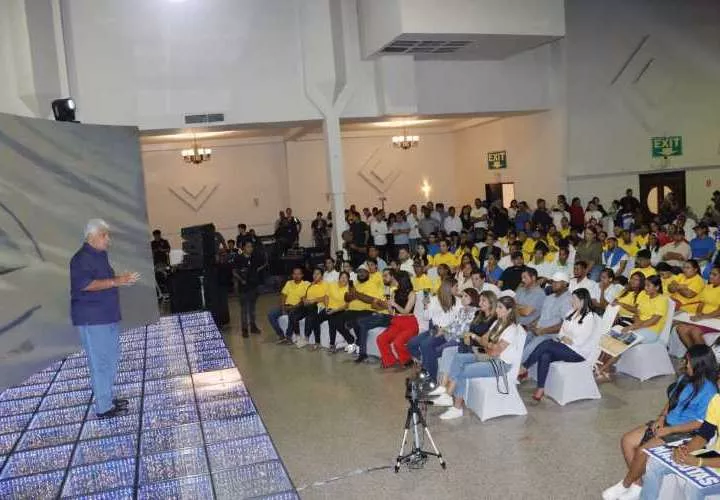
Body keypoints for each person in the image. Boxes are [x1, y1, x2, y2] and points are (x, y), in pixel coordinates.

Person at [603, 345, 718, 500]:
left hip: (685, 432)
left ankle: (625, 484)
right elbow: (672, 400)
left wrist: (670, 430)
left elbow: (700, 423)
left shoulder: (709, 390)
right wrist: (661, 418)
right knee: (627, 440)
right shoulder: (685, 378)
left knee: (643, 450)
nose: (685, 364)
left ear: (699, 364)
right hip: (667, 423)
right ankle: (637, 485)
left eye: (689, 361)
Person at [70, 219, 139, 418]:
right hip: (93, 319)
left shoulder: (100, 255)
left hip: (107, 316)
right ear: (91, 237)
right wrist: (116, 281)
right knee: (99, 363)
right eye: (104, 235)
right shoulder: (80, 259)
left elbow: (105, 281)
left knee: (111, 359)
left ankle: (107, 398)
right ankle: (103, 407)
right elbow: (85, 284)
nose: (107, 239)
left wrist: (118, 281)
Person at [433, 296, 523, 420]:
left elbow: (495, 352)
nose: (496, 310)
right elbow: (485, 340)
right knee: (459, 358)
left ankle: (457, 408)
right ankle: (447, 395)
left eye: (500, 307)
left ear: (509, 310)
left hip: (500, 364)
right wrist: (488, 344)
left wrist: (486, 344)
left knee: (464, 370)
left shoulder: (511, 329)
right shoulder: (498, 322)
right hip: (487, 356)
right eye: (497, 306)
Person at [519, 288, 598, 401]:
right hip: (564, 347)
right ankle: (540, 388)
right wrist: (564, 338)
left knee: (546, 344)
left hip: (578, 352)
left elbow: (581, 341)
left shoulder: (589, 317)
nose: (571, 302)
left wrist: (568, 339)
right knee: (545, 355)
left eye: (574, 299)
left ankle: (524, 367)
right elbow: (561, 332)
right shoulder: (571, 312)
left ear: (582, 301)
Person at [596, 275, 668, 380]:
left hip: (651, 331)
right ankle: (599, 363)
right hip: (638, 326)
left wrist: (634, 326)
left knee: (622, 341)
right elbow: (636, 313)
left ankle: (604, 369)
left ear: (657, 287)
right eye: (645, 285)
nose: (645, 288)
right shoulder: (644, 294)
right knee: (613, 335)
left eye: (648, 286)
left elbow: (654, 321)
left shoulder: (662, 300)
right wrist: (636, 324)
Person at [407, 278, 460, 382]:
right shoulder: (435, 299)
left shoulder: (458, 301)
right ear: (449, 288)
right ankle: (423, 363)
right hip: (434, 329)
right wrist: (426, 306)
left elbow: (457, 322)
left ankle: (430, 378)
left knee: (426, 345)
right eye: (456, 286)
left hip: (446, 332)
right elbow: (426, 317)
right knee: (411, 343)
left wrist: (445, 329)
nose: (458, 288)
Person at [522, 272, 573, 362]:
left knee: (528, 349)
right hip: (538, 331)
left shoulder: (568, 300)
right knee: (520, 342)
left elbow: (564, 324)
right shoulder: (549, 297)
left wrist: (543, 331)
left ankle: (516, 371)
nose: (553, 284)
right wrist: (533, 324)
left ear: (565, 284)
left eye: (557, 282)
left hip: (550, 335)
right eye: (552, 281)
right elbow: (542, 315)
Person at [351, 268, 395, 363]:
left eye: (386, 275)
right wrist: (381, 304)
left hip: (390, 317)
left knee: (360, 321)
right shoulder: (383, 288)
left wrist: (381, 303)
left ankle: (361, 350)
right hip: (380, 314)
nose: (383, 278)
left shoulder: (395, 289)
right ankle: (363, 354)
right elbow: (374, 305)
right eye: (383, 275)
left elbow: (390, 307)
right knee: (361, 323)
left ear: (392, 276)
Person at [376, 271, 419, 368]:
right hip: (397, 321)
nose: (393, 280)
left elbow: (406, 311)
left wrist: (394, 304)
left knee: (397, 342)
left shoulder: (412, 294)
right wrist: (389, 305)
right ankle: (390, 361)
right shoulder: (394, 292)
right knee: (381, 338)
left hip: (409, 323)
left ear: (401, 280)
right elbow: (392, 313)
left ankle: (407, 360)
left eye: (395, 279)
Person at [676, 265, 720, 347]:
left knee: (695, 332)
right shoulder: (708, 287)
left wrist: (703, 317)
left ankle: (703, 358)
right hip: (703, 318)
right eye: (710, 273)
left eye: (714, 274)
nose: (710, 276)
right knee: (681, 328)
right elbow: (701, 303)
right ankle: (692, 355)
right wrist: (698, 313)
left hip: (715, 321)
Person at [267, 267, 311, 344]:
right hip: (286, 306)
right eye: (294, 274)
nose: (296, 275)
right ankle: (281, 335)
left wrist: (292, 307)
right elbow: (283, 296)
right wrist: (283, 308)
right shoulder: (289, 283)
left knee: (292, 314)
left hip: (297, 308)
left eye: (298, 274)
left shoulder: (306, 284)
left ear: (302, 275)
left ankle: (288, 337)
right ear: (292, 275)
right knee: (271, 314)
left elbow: (304, 300)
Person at [234, 240, 264, 336]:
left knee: (252, 308)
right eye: (248, 246)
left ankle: (253, 327)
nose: (250, 248)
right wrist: (241, 280)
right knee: (244, 309)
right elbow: (234, 271)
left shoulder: (254, 258)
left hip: (253, 287)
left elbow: (259, 267)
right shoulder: (238, 258)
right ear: (243, 248)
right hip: (243, 288)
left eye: (251, 247)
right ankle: (244, 329)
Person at [297, 268, 329, 349]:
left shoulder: (326, 284)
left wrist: (314, 300)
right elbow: (304, 296)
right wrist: (304, 300)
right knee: (294, 313)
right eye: (314, 273)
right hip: (308, 306)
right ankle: (293, 336)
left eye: (318, 274)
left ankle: (306, 337)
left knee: (311, 313)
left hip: (319, 306)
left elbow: (326, 297)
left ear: (322, 276)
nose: (315, 275)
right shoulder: (310, 285)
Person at [324, 271, 354, 352]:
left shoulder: (350, 289)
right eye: (342, 277)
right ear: (339, 278)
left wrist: (335, 310)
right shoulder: (332, 284)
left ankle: (334, 344)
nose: (343, 279)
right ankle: (334, 343)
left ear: (348, 279)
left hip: (343, 310)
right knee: (329, 319)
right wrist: (326, 307)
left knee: (336, 323)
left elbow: (347, 305)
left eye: (346, 278)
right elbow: (326, 296)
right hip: (330, 308)